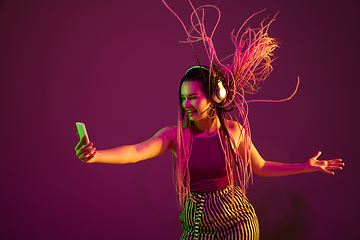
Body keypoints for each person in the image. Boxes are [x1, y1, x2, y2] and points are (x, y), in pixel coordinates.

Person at [75, 3, 344, 240]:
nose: (186, 104)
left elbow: (260, 167)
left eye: (193, 97)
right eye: (182, 98)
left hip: (236, 226)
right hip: (196, 230)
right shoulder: (174, 137)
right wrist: (95, 156)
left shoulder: (233, 132)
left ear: (213, 97)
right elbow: (135, 152)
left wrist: (306, 166)